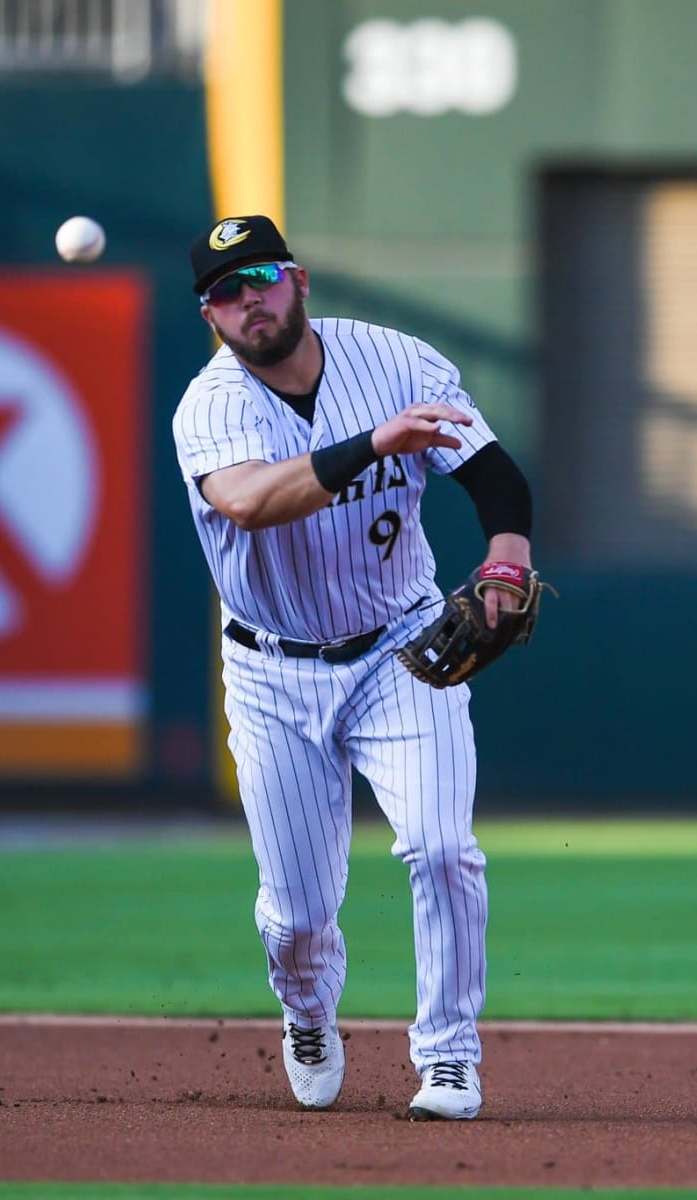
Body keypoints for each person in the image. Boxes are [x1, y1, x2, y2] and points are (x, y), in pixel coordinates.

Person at [172, 214, 535, 1121]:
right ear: (209, 317)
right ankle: (306, 1010)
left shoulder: (396, 361)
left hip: (399, 649)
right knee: (297, 915)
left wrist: (507, 558)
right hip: (270, 672)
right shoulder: (210, 406)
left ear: (298, 281)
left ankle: (448, 1057)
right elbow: (252, 502)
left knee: (443, 847)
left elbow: (495, 475)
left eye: (259, 276)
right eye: (224, 291)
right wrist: (375, 443)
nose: (247, 299)